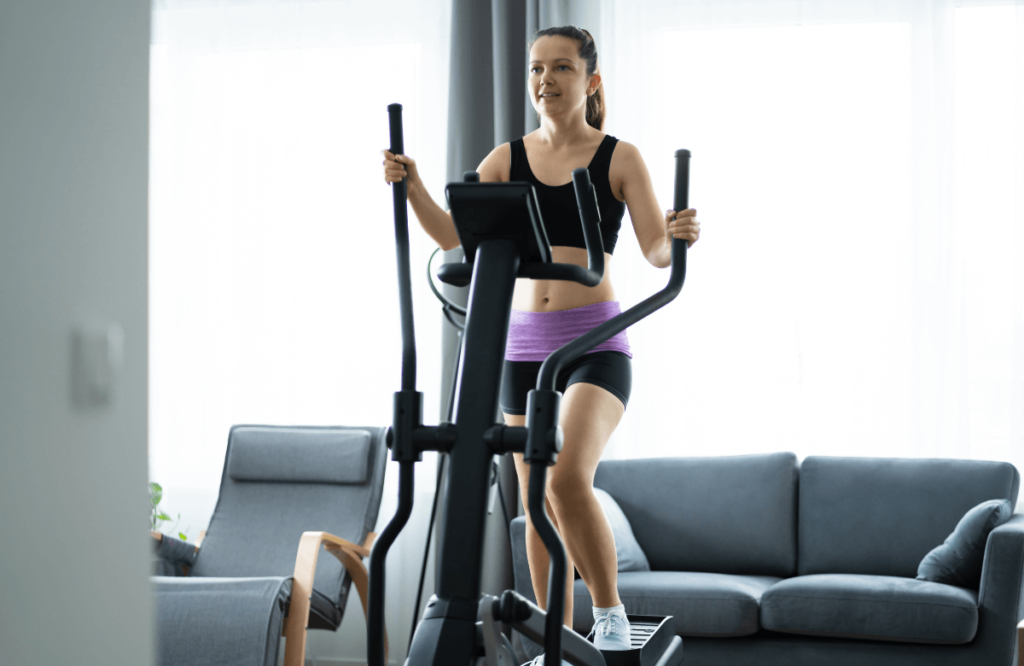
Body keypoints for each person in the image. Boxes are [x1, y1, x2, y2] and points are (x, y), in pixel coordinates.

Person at [382, 25, 700, 665]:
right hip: (521, 349)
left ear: (591, 80)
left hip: (594, 344)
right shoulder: (507, 158)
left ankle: (608, 612)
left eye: (560, 68)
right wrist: (412, 184)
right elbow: (454, 236)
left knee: (567, 481)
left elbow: (655, 249)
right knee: (534, 501)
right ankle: (552, 637)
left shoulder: (620, 157)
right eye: (535, 70)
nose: (545, 81)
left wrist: (678, 234)